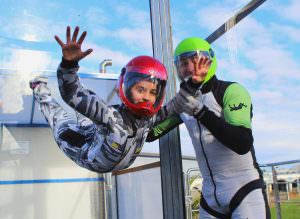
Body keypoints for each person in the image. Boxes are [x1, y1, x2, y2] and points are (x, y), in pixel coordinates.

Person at [147, 37, 271, 219]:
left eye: (193, 60)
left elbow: (242, 142)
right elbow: (151, 133)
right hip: (210, 196)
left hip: (244, 188)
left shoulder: (232, 91)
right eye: (182, 63)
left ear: (209, 61)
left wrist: (200, 112)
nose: (188, 68)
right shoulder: (183, 101)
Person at [29, 26, 181, 173]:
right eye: (140, 89)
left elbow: (176, 105)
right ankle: (39, 88)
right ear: (126, 88)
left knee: (85, 116)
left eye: (153, 92)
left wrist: (193, 86)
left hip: (97, 135)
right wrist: (69, 65)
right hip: (83, 151)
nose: (146, 96)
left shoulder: (149, 119)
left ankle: (79, 93)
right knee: (59, 119)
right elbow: (72, 95)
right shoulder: (111, 118)